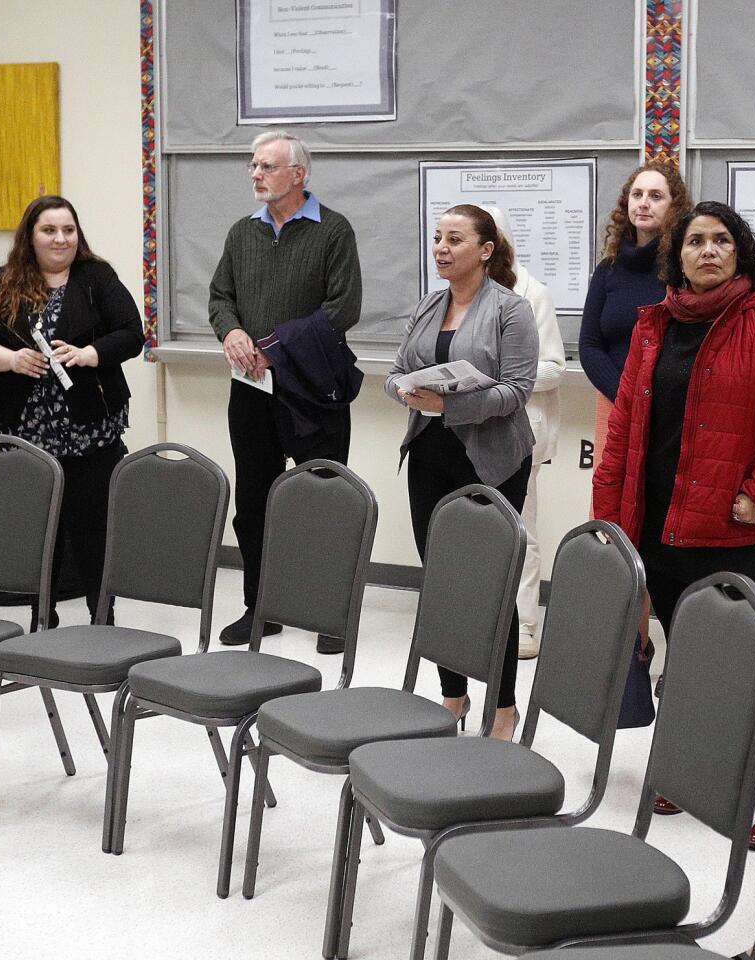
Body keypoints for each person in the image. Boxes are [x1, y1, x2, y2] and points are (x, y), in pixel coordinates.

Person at [592, 201, 755, 848]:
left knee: (741, 659)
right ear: (678, 255)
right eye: (696, 241)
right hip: (654, 523)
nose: (709, 251)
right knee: (683, 654)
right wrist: (608, 519)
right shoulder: (654, 323)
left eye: (722, 241)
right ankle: (692, 769)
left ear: (739, 252)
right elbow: (624, 433)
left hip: (725, 524)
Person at [385, 204, 537, 742]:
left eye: (455, 239)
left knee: (492, 586)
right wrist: (406, 390)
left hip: (492, 462)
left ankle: (503, 707)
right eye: (437, 239)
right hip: (429, 457)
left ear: (486, 250)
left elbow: (517, 390)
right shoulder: (429, 305)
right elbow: (396, 371)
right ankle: (453, 695)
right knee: (442, 583)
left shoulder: (511, 310)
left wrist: (449, 406)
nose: (442, 249)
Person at [209, 131, 362, 653]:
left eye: (267, 166)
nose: (256, 174)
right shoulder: (240, 233)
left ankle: (329, 613)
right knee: (253, 501)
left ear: (298, 174)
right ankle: (261, 607)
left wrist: (275, 346)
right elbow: (219, 297)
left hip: (315, 387)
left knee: (323, 499)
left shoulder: (333, 231)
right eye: (253, 166)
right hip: (251, 389)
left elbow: (344, 309)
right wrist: (230, 330)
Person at [0, 195, 144, 629]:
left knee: (93, 530)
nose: (60, 238)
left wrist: (90, 353)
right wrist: (9, 359)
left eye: (68, 230)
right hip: (25, 430)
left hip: (89, 432)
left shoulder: (97, 278)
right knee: (39, 530)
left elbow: (132, 334)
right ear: (30, 236)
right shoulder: (2, 282)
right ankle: (42, 620)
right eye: (49, 230)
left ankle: (103, 621)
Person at [480, 205, 565, 660]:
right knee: (478, 531)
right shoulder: (459, 294)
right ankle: (484, 620)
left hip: (518, 429)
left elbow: (553, 366)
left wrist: (498, 376)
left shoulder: (532, 293)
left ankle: (526, 623)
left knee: (520, 530)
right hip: (469, 428)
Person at [580, 162, 692, 449]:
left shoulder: (684, 270)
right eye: (637, 194)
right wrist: (625, 396)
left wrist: (650, 399)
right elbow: (590, 345)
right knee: (609, 490)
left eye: (656, 196)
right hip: (614, 400)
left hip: (669, 408)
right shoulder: (608, 269)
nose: (643, 203)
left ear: (674, 207)